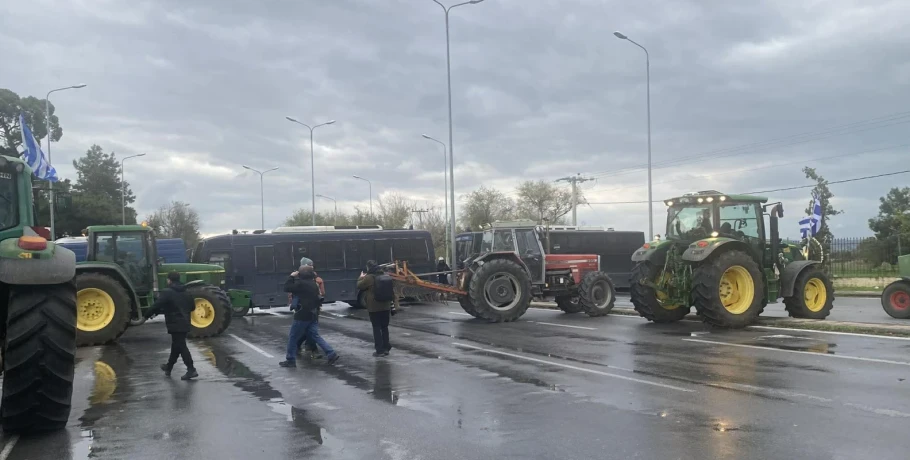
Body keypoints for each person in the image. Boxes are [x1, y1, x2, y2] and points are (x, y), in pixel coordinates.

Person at [280, 265, 339, 367]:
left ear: (300, 274)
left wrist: (291, 276)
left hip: (302, 315)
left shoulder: (300, 284)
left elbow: (286, 287)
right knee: (314, 335)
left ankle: (290, 359)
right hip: (313, 314)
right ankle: (331, 353)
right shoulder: (313, 284)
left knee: (293, 337)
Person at [148, 272, 198, 380]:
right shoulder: (186, 291)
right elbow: (193, 307)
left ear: (169, 280)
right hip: (185, 322)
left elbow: (157, 305)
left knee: (181, 346)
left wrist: (146, 315)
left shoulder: (167, 292)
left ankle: (191, 369)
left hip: (175, 323)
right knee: (176, 346)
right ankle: (169, 367)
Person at [357, 260, 399, 357]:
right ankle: (386, 348)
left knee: (376, 328)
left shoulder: (368, 278)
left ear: (368, 268)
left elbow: (359, 286)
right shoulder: (385, 275)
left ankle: (379, 350)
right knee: (384, 327)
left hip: (374, 307)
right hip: (386, 306)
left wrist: (360, 277)